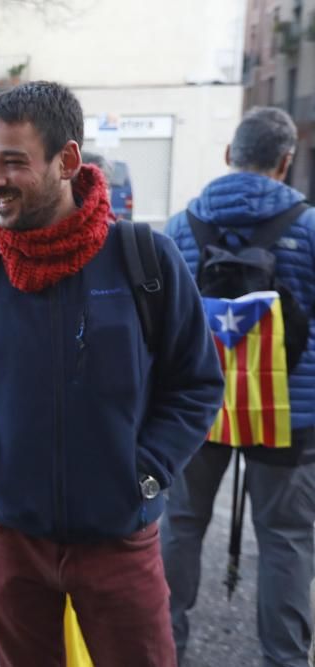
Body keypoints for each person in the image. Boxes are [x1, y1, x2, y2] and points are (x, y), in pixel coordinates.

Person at [0, 81, 225, 666]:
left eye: (13, 162)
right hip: (10, 535)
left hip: (118, 537)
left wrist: (147, 471)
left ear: (67, 160)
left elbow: (197, 383)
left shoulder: (146, 258)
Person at [162, 106, 315, 667]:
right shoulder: (310, 227)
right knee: (287, 539)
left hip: (196, 410)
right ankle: (285, 658)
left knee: (179, 526)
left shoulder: (182, 227)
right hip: (288, 413)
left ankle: (162, 648)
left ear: (229, 155)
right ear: (286, 162)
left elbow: (159, 323)